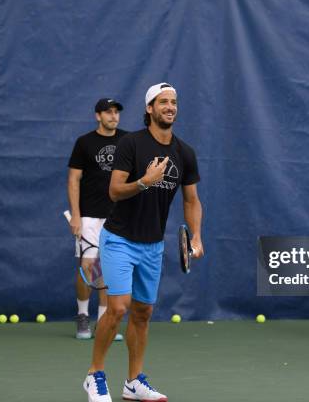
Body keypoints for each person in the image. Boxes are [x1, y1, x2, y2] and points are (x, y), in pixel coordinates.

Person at [83, 83, 204, 402]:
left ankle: (133, 382)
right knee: (118, 307)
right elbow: (114, 191)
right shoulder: (130, 144)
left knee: (143, 312)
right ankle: (95, 374)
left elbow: (192, 200)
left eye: (174, 102)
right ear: (149, 108)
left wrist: (196, 236)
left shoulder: (184, 152)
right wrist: (144, 182)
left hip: (153, 244)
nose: (170, 106)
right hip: (120, 238)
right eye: (163, 102)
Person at [68, 98, 127, 340]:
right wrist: (76, 216)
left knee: (109, 269)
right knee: (88, 267)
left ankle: (104, 321)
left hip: (119, 216)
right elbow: (74, 180)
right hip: (89, 217)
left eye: (116, 112)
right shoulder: (84, 143)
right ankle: (83, 315)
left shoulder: (128, 141)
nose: (114, 116)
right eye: (108, 112)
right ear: (98, 116)